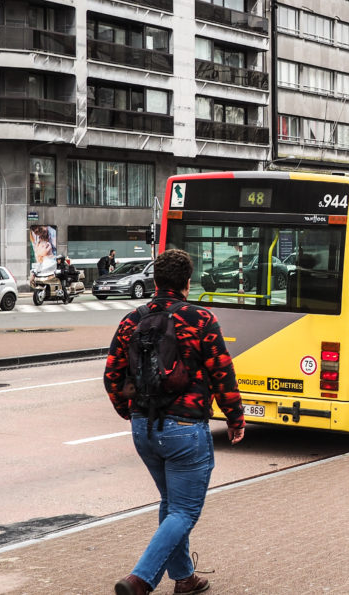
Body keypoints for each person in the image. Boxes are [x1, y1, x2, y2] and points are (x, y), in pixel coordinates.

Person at [104, 249, 245, 595]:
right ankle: (140, 578)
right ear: (187, 282)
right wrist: (235, 418)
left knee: (171, 505)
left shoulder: (131, 320)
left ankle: (185, 579)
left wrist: (131, 412)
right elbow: (222, 373)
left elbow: (112, 376)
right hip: (185, 428)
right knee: (184, 510)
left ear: (155, 281)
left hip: (144, 429)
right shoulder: (201, 319)